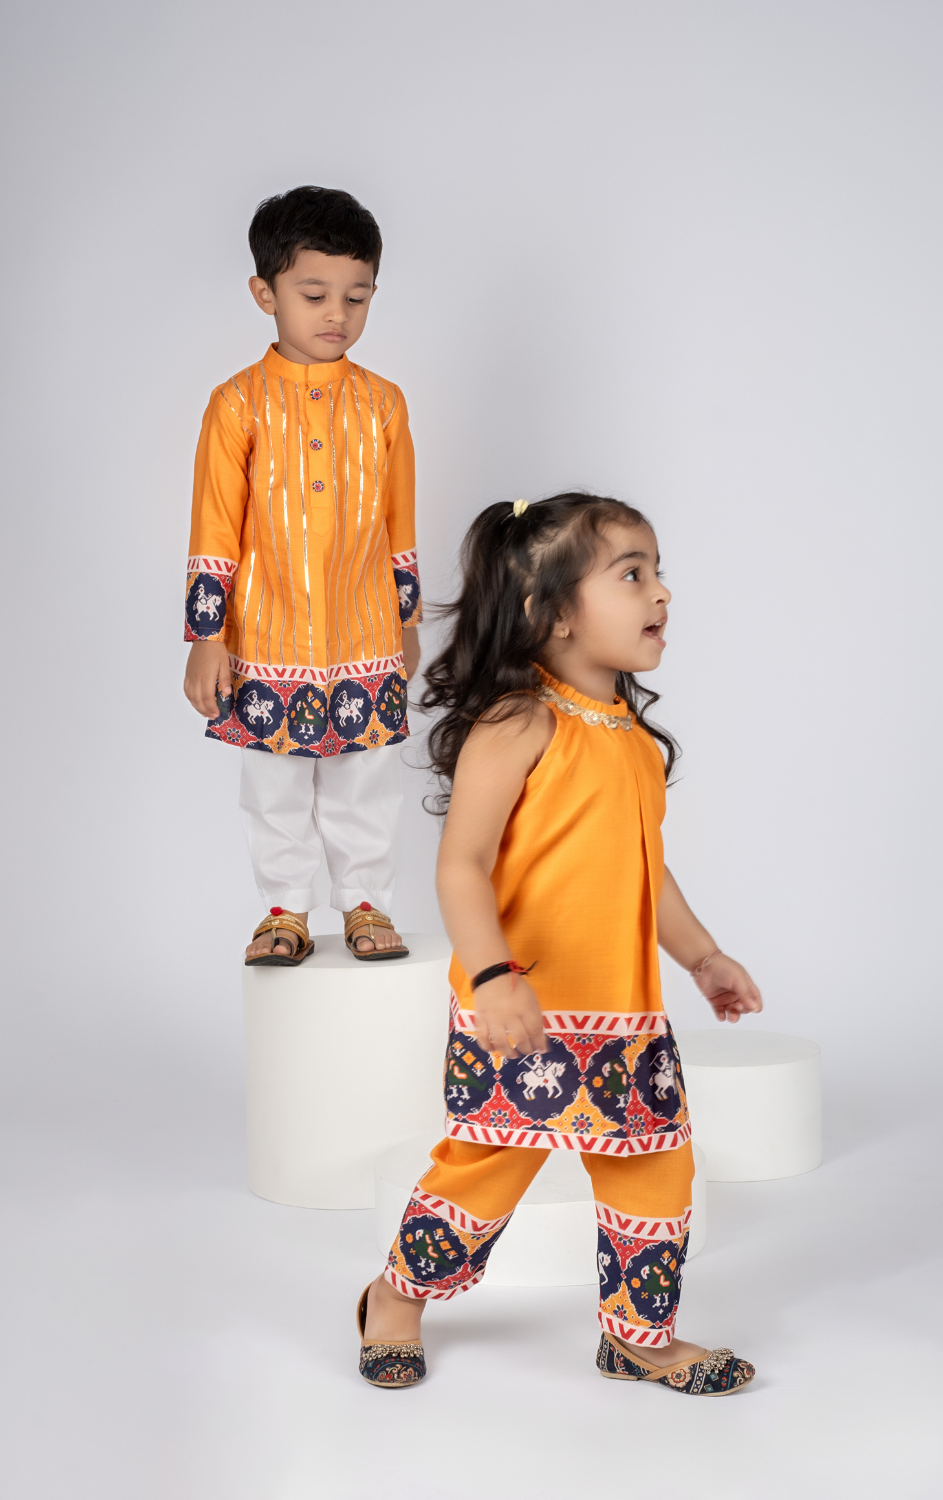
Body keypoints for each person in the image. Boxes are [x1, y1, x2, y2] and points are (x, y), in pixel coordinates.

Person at [356, 493, 762, 1394]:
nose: (661, 593)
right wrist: (493, 975)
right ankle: (395, 1297)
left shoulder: (634, 744)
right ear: (552, 612)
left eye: (658, 573)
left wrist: (703, 957)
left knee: (657, 1171)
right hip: (523, 1012)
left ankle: (638, 1338)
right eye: (632, 575)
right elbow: (462, 865)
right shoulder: (521, 721)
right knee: (485, 1172)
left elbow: (646, 874)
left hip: (626, 1019)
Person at [183, 186, 421, 966]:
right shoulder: (237, 405)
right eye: (314, 295)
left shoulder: (383, 405)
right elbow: (214, 527)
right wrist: (207, 637)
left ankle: (365, 903)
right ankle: (283, 910)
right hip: (265, 636)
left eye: (357, 296)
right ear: (266, 294)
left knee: (365, 781)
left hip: (366, 632)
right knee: (275, 787)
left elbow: (399, 522)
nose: (337, 315)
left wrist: (407, 622)